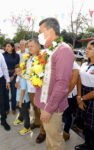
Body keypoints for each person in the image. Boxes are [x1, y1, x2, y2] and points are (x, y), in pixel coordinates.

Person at [35, 18, 74, 150]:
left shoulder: (63, 50)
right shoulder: (49, 50)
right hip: (44, 102)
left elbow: (62, 84)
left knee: (56, 142)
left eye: (40, 32)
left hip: (51, 106)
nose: (38, 35)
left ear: (50, 30)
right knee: (50, 140)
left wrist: (49, 108)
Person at [75, 40, 94, 150]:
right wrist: (79, 97)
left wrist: (82, 98)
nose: (86, 50)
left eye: (90, 48)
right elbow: (79, 80)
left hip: (91, 98)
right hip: (82, 94)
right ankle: (86, 144)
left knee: (92, 127)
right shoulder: (84, 63)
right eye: (86, 48)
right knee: (85, 124)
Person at [26, 39, 46, 143]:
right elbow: (28, 73)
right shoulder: (29, 58)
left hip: (39, 89)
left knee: (41, 110)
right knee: (35, 108)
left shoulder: (42, 57)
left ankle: (43, 131)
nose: (30, 48)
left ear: (38, 46)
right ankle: (37, 122)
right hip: (30, 88)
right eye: (28, 46)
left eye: (32, 46)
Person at [63, 60, 79, 141]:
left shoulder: (74, 65)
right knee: (65, 114)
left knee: (67, 114)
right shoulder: (62, 62)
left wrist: (64, 94)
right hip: (63, 93)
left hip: (69, 94)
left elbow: (73, 83)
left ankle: (66, 133)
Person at [13, 64, 31, 135]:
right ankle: (20, 119)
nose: (18, 72)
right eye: (17, 71)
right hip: (20, 98)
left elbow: (23, 90)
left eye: (19, 71)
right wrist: (16, 84)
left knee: (25, 113)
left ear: (22, 70)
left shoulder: (23, 78)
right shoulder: (19, 77)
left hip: (23, 100)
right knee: (21, 110)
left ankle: (27, 128)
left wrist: (20, 101)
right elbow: (16, 85)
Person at [3, 42, 20, 115]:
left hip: (14, 75)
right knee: (6, 93)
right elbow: (1, 66)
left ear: (13, 47)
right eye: (6, 46)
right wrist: (6, 76)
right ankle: (7, 108)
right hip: (5, 75)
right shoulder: (2, 55)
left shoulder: (17, 56)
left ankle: (13, 108)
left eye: (8, 46)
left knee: (13, 93)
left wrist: (13, 75)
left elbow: (17, 67)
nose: (7, 48)